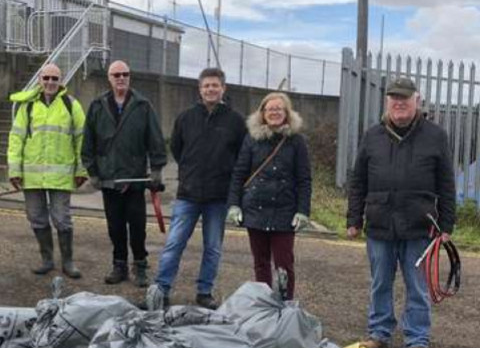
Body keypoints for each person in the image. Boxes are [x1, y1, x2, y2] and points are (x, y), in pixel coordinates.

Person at [345, 75, 456, 348]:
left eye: (404, 98)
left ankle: (417, 341)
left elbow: (446, 183)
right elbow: (358, 181)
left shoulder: (435, 136)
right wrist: (353, 218)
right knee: (380, 282)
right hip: (380, 223)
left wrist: (447, 225)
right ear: (388, 102)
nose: (399, 103)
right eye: (394, 98)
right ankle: (379, 334)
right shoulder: (372, 135)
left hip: (419, 226)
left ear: (416, 101)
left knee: (417, 286)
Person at [154, 67, 246, 308]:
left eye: (215, 85)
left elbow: (241, 157)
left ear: (223, 88)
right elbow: (176, 148)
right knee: (174, 243)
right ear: (200, 89)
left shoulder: (235, 121)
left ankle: (204, 292)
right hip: (188, 195)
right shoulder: (185, 117)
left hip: (218, 196)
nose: (210, 89)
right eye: (206, 85)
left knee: (213, 248)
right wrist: (189, 172)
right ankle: (161, 290)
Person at [82, 60, 167, 287]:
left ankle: (140, 265)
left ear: (130, 76)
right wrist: (93, 172)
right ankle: (119, 265)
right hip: (110, 179)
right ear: (109, 78)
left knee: (137, 226)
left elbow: (155, 139)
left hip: (135, 179)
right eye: (116, 74)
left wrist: (157, 169)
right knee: (115, 226)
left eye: (125, 74)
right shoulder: (97, 106)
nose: (121, 78)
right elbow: (88, 142)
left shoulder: (142, 105)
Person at [227, 93, 311, 300]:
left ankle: (286, 306)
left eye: (279, 109)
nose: (274, 112)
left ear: (287, 113)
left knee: (284, 264)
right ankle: (264, 305)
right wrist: (234, 205)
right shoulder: (251, 139)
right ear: (262, 113)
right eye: (270, 109)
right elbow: (239, 173)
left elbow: (304, 179)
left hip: (284, 212)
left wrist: (303, 210)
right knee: (260, 263)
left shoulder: (296, 141)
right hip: (255, 210)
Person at [7, 63, 88, 278]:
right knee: (37, 218)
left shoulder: (72, 105)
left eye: (55, 78)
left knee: (62, 219)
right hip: (32, 176)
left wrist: (82, 169)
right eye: (46, 78)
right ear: (40, 81)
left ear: (61, 81)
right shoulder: (28, 107)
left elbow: (82, 139)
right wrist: (15, 169)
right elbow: (16, 138)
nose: (50, 82)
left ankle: (68, 262)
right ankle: (47, 259)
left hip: (61, 176)